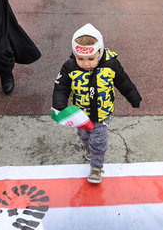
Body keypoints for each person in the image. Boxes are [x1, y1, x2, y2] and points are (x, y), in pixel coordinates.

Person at [52, 24, 141, 184]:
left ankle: (96, 167)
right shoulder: (70, 67)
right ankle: (88, 147)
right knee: (84, 135)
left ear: (100, 52)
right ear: (74, 53)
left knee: (98, 141)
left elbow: (123, 82)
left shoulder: (111, 65)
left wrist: (134, 98)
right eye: (81, 59)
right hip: (80, 113)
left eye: (91, 59)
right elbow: (61, 87)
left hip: (102, 113)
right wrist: (59, 105)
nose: (86, 63)